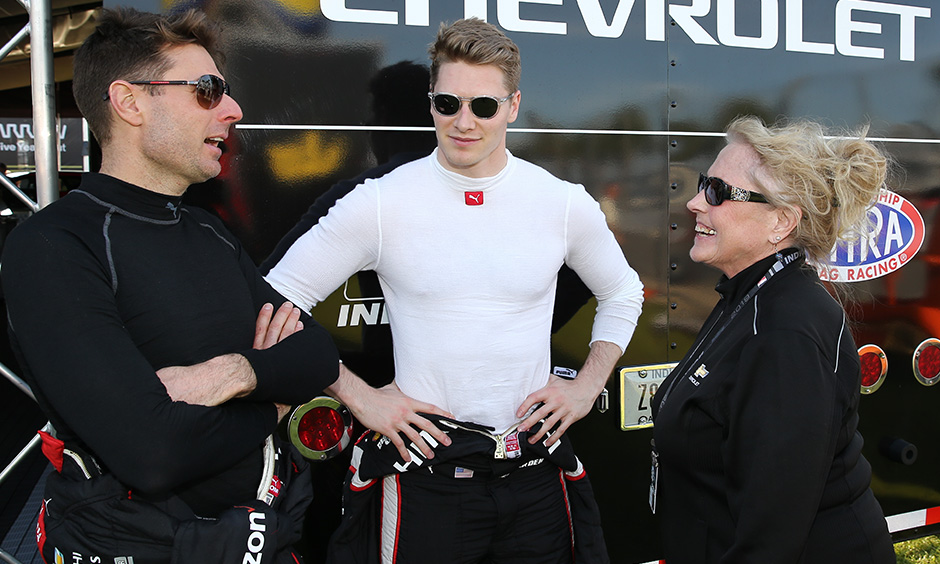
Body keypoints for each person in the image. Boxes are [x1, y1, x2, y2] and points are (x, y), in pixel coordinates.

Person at [265, 17, 644, 564]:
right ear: (432, 103)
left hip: (534, 479)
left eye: (484, 106)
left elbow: (623, 292)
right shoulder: (380, 202)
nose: (464, 122)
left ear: (513, 106)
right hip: (427, 481)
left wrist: (586, 387)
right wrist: (360, 396)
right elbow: (277, 301)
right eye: (449, 104)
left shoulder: (560, 202)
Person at [1, 8, 341, 563]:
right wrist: (274, 402)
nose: (232, 109)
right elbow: (153, 452)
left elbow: (317, 354)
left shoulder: (205, 228)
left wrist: (231, 373)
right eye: (207, 90)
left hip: (264, 539)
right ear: (130, 102)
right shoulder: (54, 245)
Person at [651, 116, 895, 564]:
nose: (693, 203)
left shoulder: (787, 330)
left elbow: (772, 534)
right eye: (705, 184)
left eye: (718, 193)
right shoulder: (748, 295)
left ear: (781, 221)